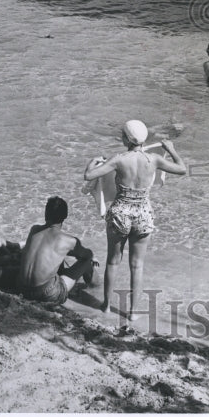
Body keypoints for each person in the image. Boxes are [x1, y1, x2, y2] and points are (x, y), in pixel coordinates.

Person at [83, 119, 186, 319]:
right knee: (137, 265)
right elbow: (181, 169)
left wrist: (92, 163)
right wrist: (171, 149)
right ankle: (132, 313)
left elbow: (89, 176)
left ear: (127, 139)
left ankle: (106, 306)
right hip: (143, 215)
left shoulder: (119, 159)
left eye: (122, 134)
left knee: (113, 262)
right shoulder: (154, 159)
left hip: (120, 214)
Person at [17, 196, 98, 306]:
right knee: (87, 262)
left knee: (57, 255)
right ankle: (96, 289)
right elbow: (87, 255)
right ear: (65, 216)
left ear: (46, 213)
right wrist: (91, 257)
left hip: (21, 287)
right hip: (45, 293)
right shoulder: (69, 241)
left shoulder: (34, 230)